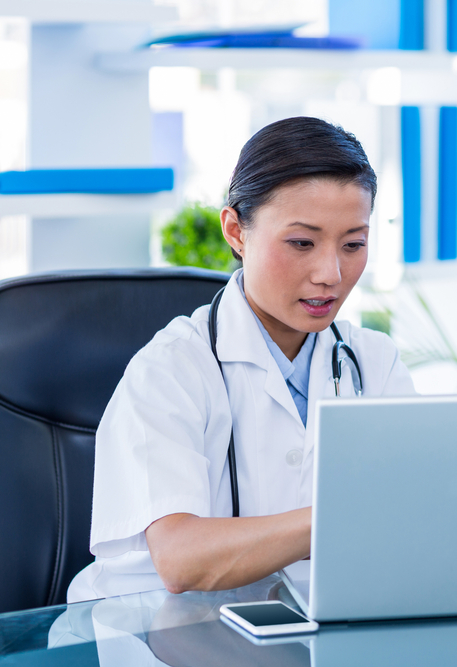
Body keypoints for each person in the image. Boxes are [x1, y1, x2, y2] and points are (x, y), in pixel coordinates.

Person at [68, 117, 415, 602]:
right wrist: (345, 515)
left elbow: (417, 522)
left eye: (354, 244)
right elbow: (182, 559)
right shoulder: (171, 369)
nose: (330, 273)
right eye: (301, 243)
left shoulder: (373, 364)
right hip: (160, 640)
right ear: (236, 231)